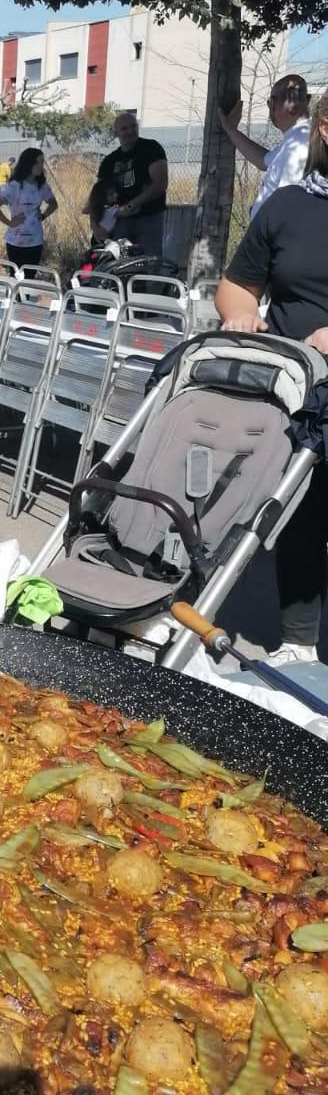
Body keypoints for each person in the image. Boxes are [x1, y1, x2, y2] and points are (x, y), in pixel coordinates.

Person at [215, 86, 328, 664]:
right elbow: (237, 282)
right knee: (303, 514)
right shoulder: (288, 207)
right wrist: (238, 310)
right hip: (303, 391)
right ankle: (301, 642)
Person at [219, 74, 311, 220]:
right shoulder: (298, 138)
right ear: (308, 100)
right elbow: (263, 160)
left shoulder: (298, 147)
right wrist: (231, 130)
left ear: (273, 104)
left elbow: (287, 208)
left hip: (276, 240)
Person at [91, 112, 168, 255]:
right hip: (119, 220)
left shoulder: (151, 148)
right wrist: (95, 225)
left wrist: (131, 205)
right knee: (116, 262)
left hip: (149, 218)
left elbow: (161, 183)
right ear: (116, 133)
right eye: (124, 128)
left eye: (133, 126)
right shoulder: (110, 161)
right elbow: (97, 195)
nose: (130, 131)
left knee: (148, 262)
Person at [0, 147, 57, 266]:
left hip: (35, 240)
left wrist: (43, 215)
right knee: (16, 276)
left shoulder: (42, 186)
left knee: (30, 279)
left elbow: (53, 204)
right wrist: (9, 222)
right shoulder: (12, 186)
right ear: (28, 163)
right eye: (37, 162)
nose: (40, 166)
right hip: (15, 240)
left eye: (42, 162)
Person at [87, 179, 120, 244]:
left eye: (115, 192)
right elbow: (126, 212)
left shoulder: (98, 210)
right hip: (104, 240)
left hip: (98, 239)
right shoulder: (111, 210)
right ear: (103, 197)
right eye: (111, 194)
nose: (116, 195)